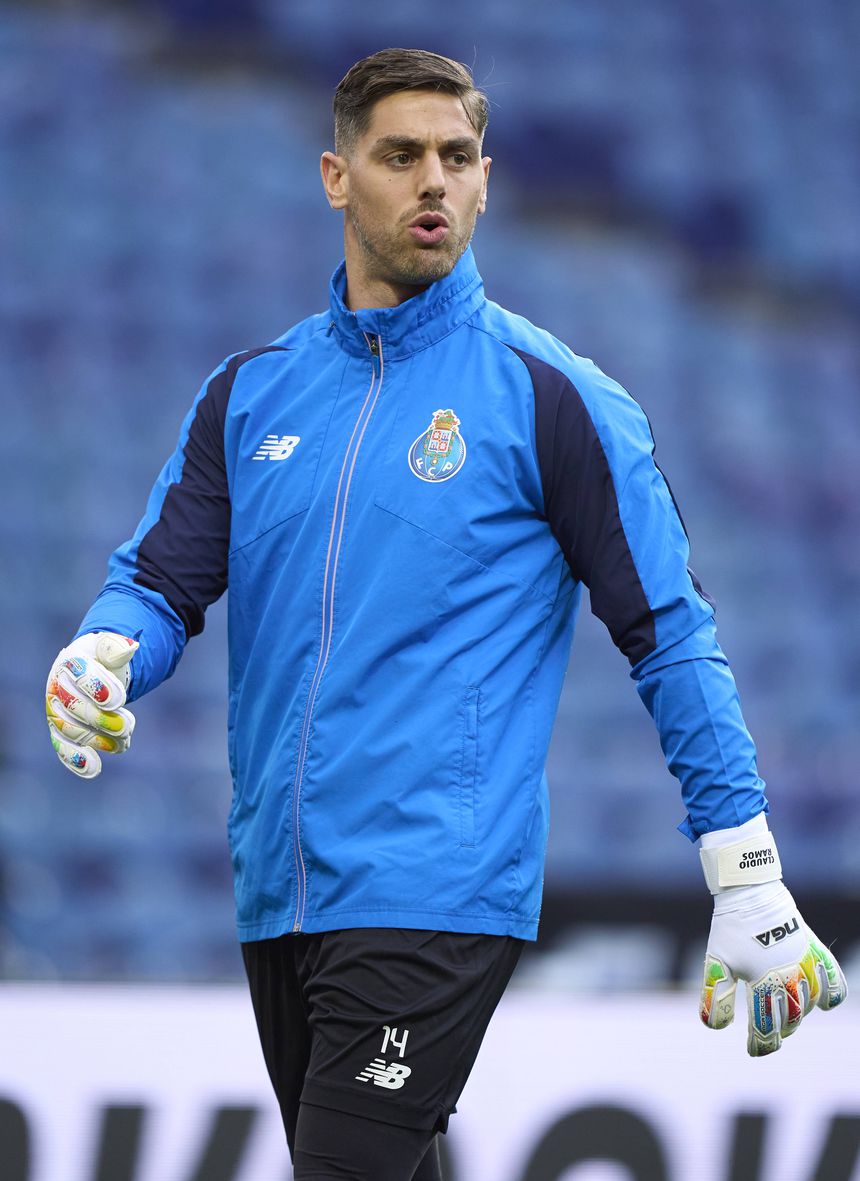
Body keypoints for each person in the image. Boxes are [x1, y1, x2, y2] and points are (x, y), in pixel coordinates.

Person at [45, 48, 846, 1181]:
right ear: (335, 176)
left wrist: (745, 864)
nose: (434, 180)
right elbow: (161, 582)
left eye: (457, 157)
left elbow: (670, 632)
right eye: (401, 155)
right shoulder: (249, 393)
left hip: (436, 887)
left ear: (485, 180)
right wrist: (105, 648)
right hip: (281, 891)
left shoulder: (552, 395)